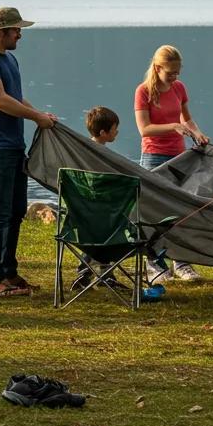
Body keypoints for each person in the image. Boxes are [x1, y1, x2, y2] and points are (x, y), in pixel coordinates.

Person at [0, 7, 57, 298]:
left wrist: (38, 113)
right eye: (16, 29)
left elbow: (16, 98)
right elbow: (0, 101)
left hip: (13, 145)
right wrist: (35, 118)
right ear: (1, 31)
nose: (20, 34)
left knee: (16, 210)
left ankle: (9, 272)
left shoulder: (10, 59)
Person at [134, 44, 209, 283]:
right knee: (155, 212)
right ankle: (155, 264)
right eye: (171, 72)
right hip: (154, 156)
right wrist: (173, 127)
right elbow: (144, 129)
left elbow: (187, 118)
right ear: (157, 68)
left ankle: (181, 262)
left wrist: (197, 133)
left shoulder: (179, 88)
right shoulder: (143, 91)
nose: (175, 76)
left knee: (180, 210)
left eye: (178, 71)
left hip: (179, 155)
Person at [71, 107, 128, 293]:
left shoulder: (86, 152)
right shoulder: (97, 155)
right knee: (102, 237)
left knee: (102, 237)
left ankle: (106, 274)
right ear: (103, 132)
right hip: (96, 211)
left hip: (87, 212)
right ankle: (85, 273)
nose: (117, 132)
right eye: (114, 129)